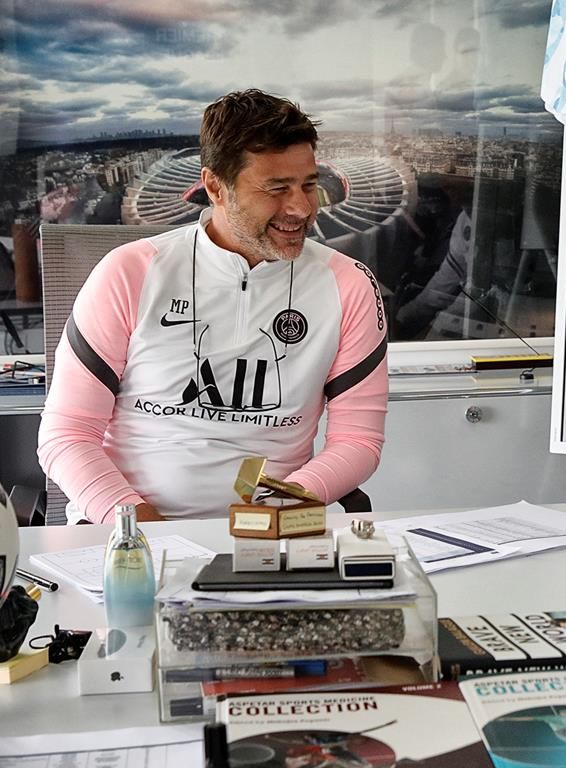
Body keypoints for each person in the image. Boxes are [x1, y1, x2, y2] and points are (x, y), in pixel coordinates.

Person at [38, 89, 389, 523]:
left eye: (309, 184)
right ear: (215, 187)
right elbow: (66, 435)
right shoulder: (129, 273)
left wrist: (279, 509)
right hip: (126, 529)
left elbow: (358, 441)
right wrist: (139, 527)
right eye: (276, 189)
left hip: (275, 527)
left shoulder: (348, 284)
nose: (301, 208)